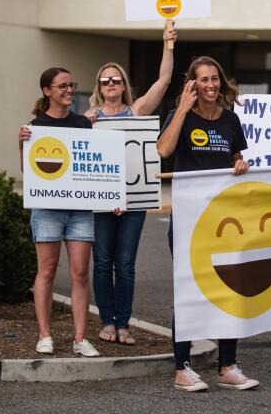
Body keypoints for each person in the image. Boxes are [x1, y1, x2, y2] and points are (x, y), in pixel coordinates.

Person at [157, 56, 258, 392]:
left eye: (215, 79)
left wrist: (240, 163)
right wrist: (183, 109)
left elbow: (234, 158)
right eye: (204, 80)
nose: (211, 85)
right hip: (188, 218)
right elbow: (164, 149)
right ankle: (181, 368)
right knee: (189, 289)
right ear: (192, 84)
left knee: (229, 290)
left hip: (225, 220)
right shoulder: (180, 116)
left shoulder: (231, 120)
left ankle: (227, 365)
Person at [85, 21, 177, 346]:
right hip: (101, 204)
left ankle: (123, 324)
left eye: (116, 79)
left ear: (123, 84)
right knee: (102, 263)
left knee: (125, 265)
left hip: (135, 201)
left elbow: (164, 80)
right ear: (100, 86)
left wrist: (167, 43)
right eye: (105, 80)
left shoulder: (137, 112)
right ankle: (106, 321)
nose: (111, 84)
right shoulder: (90, 118)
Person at [18, 67, 101, 357]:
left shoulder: (83, 124)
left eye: (71, 84)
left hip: (80, 210)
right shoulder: (35, 126)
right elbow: (29, 175)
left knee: (80, 273)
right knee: (47, 271)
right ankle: (45, 335)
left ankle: (80, 339)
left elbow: (92, 166)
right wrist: (22, 144)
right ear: (47, 91)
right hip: (47, 209)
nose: (68, 90)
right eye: (62, 85)